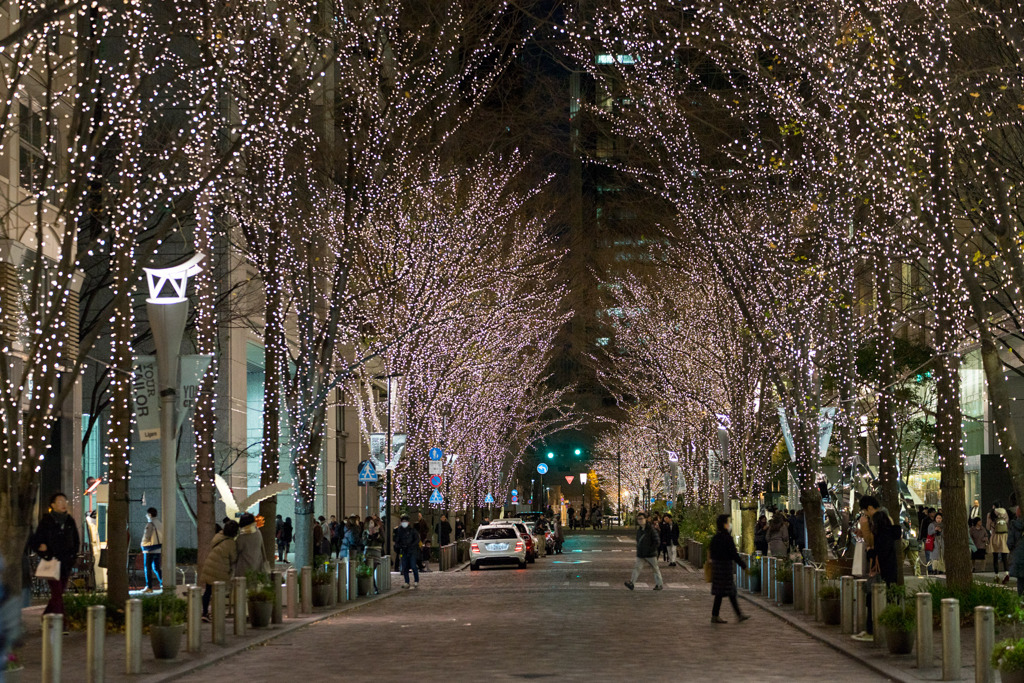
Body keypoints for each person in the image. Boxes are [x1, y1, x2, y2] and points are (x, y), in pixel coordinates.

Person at [851, 495, 901, 642]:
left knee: (874, 597)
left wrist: (869, 546)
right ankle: (873, 629)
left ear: (870, 508)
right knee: (875, 597)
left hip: (881, 567)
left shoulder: (881, 521)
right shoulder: (884, 521)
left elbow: (878, 544)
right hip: (884, 566)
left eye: (866, 511)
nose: (865, 515)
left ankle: (875, 630)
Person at [30, 492, 80, 617]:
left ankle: (46, 616)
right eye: (59, 502)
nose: (63, 504)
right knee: (57, 593)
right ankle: (62, 623)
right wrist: (45, 552)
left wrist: (73, 556)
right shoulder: (47, 521)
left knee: (58, 593)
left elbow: (76, 540)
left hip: (66, 563)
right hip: (52, 562)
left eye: (65, 501)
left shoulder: (69, 521)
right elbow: (36, 541)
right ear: (53, 505)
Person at [708, 513, 749, 623]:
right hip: (725, 568)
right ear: (724, 524)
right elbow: (733, 554)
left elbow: (711, 552)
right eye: (728, 522)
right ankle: (719, 615)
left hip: (718, 568)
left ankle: (723, 615)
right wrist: (743, 565)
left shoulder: (716, 538)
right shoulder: (727, 538)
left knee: (724, 592)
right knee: (726, 592)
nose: (729, 524)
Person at [200, 520, 238, 622]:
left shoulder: (218, 536)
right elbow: (234, 558)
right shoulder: (231, 543)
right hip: (220, 569)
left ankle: (204, 613)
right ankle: (215, 614)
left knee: (208, 591)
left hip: (209, 565)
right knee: (218, 592)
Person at [624, 512, 663, 591]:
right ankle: (632, 583)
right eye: (638, 519)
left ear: (646, 519)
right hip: (641, 553)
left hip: (650, 554)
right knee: (637, 568)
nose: (640, 521)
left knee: (655, 569)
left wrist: (651, 549)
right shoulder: (640, 530)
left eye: (641, 519)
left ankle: (659, 584)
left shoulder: (651, 529)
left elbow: (657, 541)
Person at [235, 513, 268, 577]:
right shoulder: (258, 532)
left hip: (244, 568)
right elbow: (262, 549)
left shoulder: (242, 536)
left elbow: (237, 550)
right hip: (257, 565)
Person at [141, 507, 163, 592]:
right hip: (158, 549)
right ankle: (162, 583)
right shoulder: (160, 523)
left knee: (147, 568)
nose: (146, 516)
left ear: (149, 515)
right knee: (157, 568)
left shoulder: (150, 524)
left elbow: (147, 536)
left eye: (147, 514)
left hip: (149, 549)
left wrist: (143, 544)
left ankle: (149, 587)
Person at [395, 514, 421, 589]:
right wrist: (400, 546)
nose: (404, 523)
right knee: (405, 567)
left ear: (409, 522)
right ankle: (407, 582)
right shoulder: (399, 531)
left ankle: (416, 580)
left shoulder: (412, 531)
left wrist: (412, 545)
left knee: (413, 566)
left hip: (412, 551)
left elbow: (417, 540)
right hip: (403, 551)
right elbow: (397, 540)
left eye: (405, 521)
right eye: (402, 521)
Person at [989, 502, 1010, 582]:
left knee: (995, 556)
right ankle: (1006, 573)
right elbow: (1007, 523)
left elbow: (988, 526)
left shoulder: (991, 513)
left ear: (994, 506)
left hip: (995, 536)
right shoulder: (1005, 513)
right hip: (1004, 536)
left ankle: (996, 575)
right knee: (1004, 557)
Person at [1008, 506, 1024, 595]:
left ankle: (1020, 600)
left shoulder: (1014, 525)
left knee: (1020, 581)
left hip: (1019, 557)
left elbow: (1010, 543)